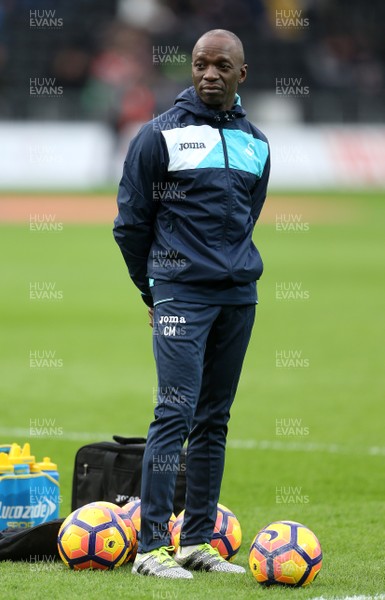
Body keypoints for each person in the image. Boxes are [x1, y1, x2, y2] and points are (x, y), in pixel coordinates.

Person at [113, 29, 270, 579]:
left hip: (237, 295)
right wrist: (151, 288)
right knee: (174, 411)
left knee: (214, 418)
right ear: (191, 68)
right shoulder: (158, 136)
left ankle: (197, 540)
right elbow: (130, 224)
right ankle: (152, 548)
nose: (209, 74)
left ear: (240, 74)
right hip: (181, 293)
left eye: (221, 65)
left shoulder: (258, 144)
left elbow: (247, 218)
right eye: (201, 64)